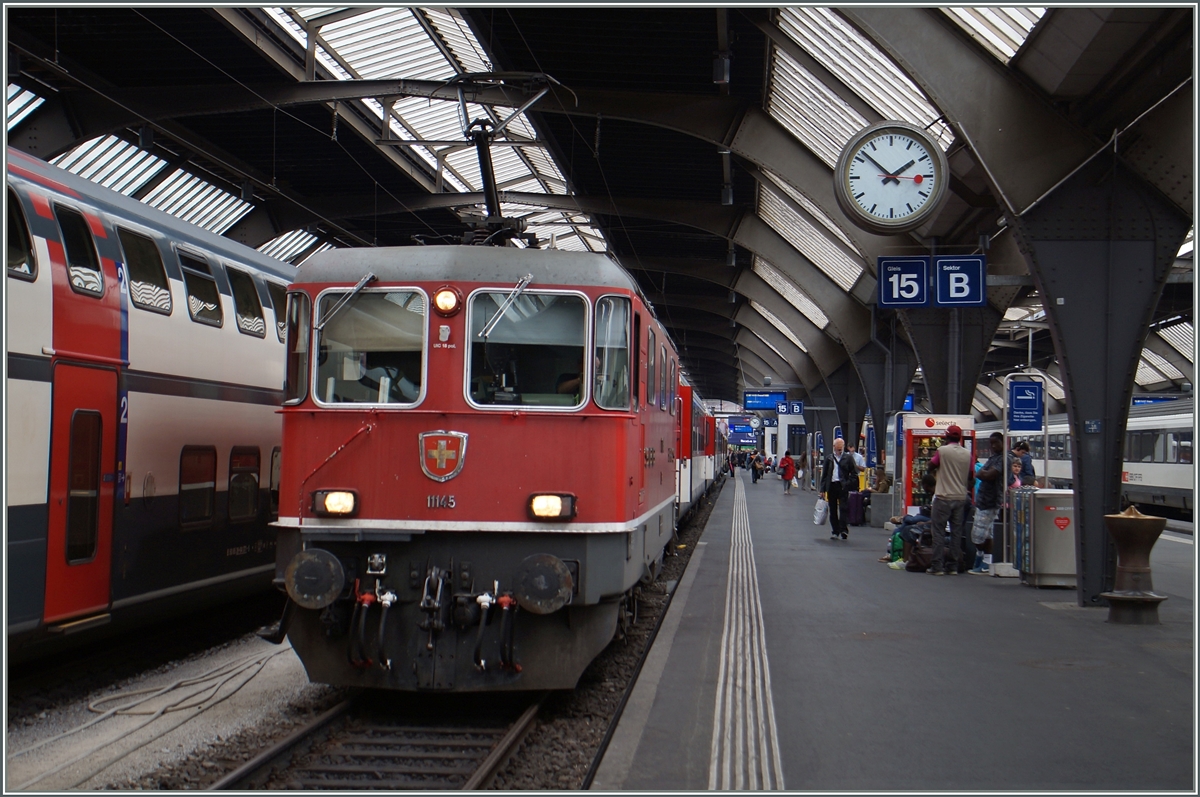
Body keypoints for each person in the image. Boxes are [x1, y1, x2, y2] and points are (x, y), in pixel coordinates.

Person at [925, 424, 972, 575]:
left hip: (943, 496)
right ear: (959, 438)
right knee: (956, 532)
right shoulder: (967, 454)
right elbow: (971, 476)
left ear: (946, 437)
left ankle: (937, 566)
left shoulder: (942, 451)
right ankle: (953, 566)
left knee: (938, 531)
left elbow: (930, 466)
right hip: (960, 497)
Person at [969, 432, 1008, 574]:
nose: (992, 446)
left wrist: (983, 473)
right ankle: (984, 561)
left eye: (996, 443)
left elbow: (988, 474)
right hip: (984, 500)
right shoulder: (994, 458)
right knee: (986, 533)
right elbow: (981, 473)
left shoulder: (1003, 459)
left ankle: (984, 560)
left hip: (990, 501)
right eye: (991, 443)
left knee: (978, 534)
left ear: (1004, 442)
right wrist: (983, 473)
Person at [820, 437, 858, 540]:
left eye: (841, 448)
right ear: (834, 447)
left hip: (842, 486)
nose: (839, 450)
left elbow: (854, 473)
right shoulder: (829, 458)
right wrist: (822, 489)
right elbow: (825, 475)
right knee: (833, 509)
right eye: (838, 448)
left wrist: (847, 483)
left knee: (843, 508)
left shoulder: (848, 458)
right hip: (831, 485)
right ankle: (835, 531)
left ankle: (843, 530)